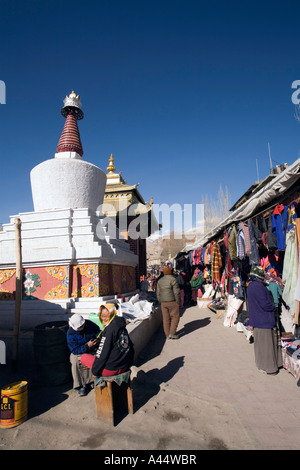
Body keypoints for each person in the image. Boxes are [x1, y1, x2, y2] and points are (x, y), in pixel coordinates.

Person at [80, 303, 134, 378]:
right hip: (124, 366)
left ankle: (90, 382)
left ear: (112, 314)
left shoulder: (109, 330)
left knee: (84, 357)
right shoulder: (121, 326)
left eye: (106, 316)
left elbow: (102, 354)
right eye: (102, 316)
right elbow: (130, 346)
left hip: (111, 370)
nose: (104, 318)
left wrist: (95, 372)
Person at [246, 266, 283, 375]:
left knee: (260, 345)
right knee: (267, 346)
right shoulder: (258, 287)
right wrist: (273, 307)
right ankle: (270, 368)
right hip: (264, 320)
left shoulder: (251, 286)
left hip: (257, 319)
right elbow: (265, 304)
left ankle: (261, 365)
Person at [67, 313, 100, 396]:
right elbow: (74, 350)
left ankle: (92, 381)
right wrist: (87, 347)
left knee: (98, 356)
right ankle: (82, 385)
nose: (82, 327)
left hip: (93, 348)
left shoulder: (89, 324)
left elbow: (98, 331)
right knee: (75, 360)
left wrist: (97, 338)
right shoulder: (70, 334)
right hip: (79, 352)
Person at [156, 266, 180, 339]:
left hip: (163, 302)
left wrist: (160, 300)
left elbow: (158, 292)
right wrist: (178, 301)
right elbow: (176, 292)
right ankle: (172, 333)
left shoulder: (160, 281)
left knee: (165, 319)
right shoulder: (173, 279)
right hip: (172, 301)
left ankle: (167, 334)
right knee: (175, 317)